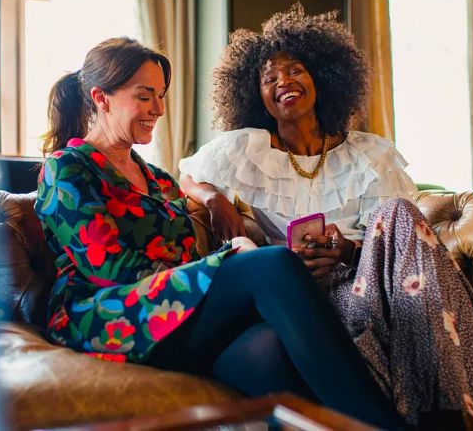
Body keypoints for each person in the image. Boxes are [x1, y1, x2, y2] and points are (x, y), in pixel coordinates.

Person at [178, 4, 473, 430]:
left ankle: (447, 401)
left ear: (322, 77)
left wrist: (349, 249)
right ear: (256, 96)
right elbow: (185, 177)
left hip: (371, 281)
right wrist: (212, 198)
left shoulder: (370, 154)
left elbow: (400, 242)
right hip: (299, 294)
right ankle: (444, 406)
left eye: (295, 70)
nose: (283, 81)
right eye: (269, 78)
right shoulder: (243, 148)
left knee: (395, 212)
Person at [34, 37, 406, 429]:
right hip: (105, 317)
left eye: (160, 96)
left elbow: (188, 260)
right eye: (145, 97)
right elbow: (109, 268)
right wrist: (230, 259)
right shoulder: (68, 168)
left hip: (174, 314)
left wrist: (230, 247)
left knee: (269, 349)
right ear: (101, 98)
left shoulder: (157, 180)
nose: (159, 109)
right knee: (273, 264)